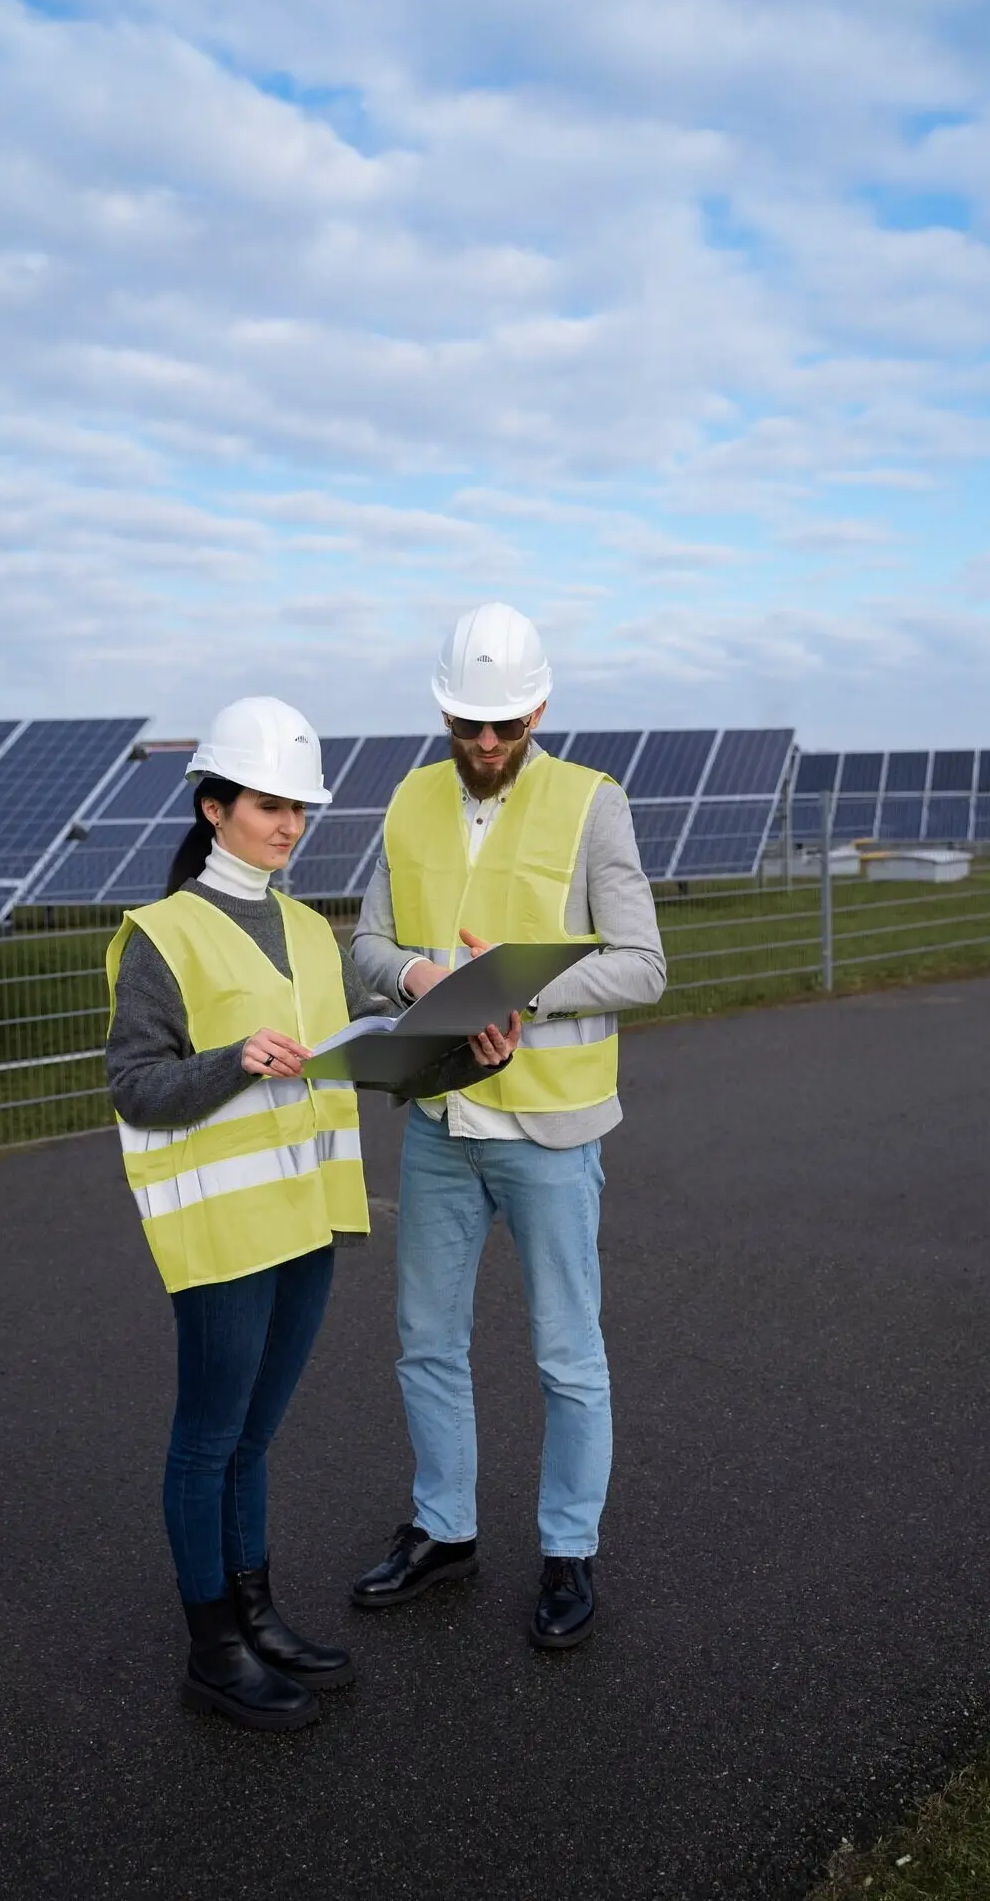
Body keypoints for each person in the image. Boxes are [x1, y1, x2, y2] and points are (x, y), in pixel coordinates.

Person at [105, 696, 518, 1731]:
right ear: (213, 807)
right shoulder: (162, 934)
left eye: (300, 807)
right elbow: (135, 1086)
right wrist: (229, 1061)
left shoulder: (306, 926)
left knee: (253, 1442)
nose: (289, 824)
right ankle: (213, 1649)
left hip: (307, 1220)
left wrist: (457, 1045)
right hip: (223, 1231)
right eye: (268, 804)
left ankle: (255, 1612)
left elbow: (358, 1065)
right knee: (207, 1443)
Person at [349, 604, 666, 1649]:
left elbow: (642, 964)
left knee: (568, 1356)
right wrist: (419, 976)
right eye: (466, 726)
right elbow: (367, 943)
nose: (485, 745)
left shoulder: (592, 804)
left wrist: (521, 993)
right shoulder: (407, 797)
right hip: (439, 1117)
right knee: (424, 1342)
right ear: (443, 709)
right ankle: (446, 1528)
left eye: (504, 727)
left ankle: (569, 1549)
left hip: (550, 1133)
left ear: (538, 707)